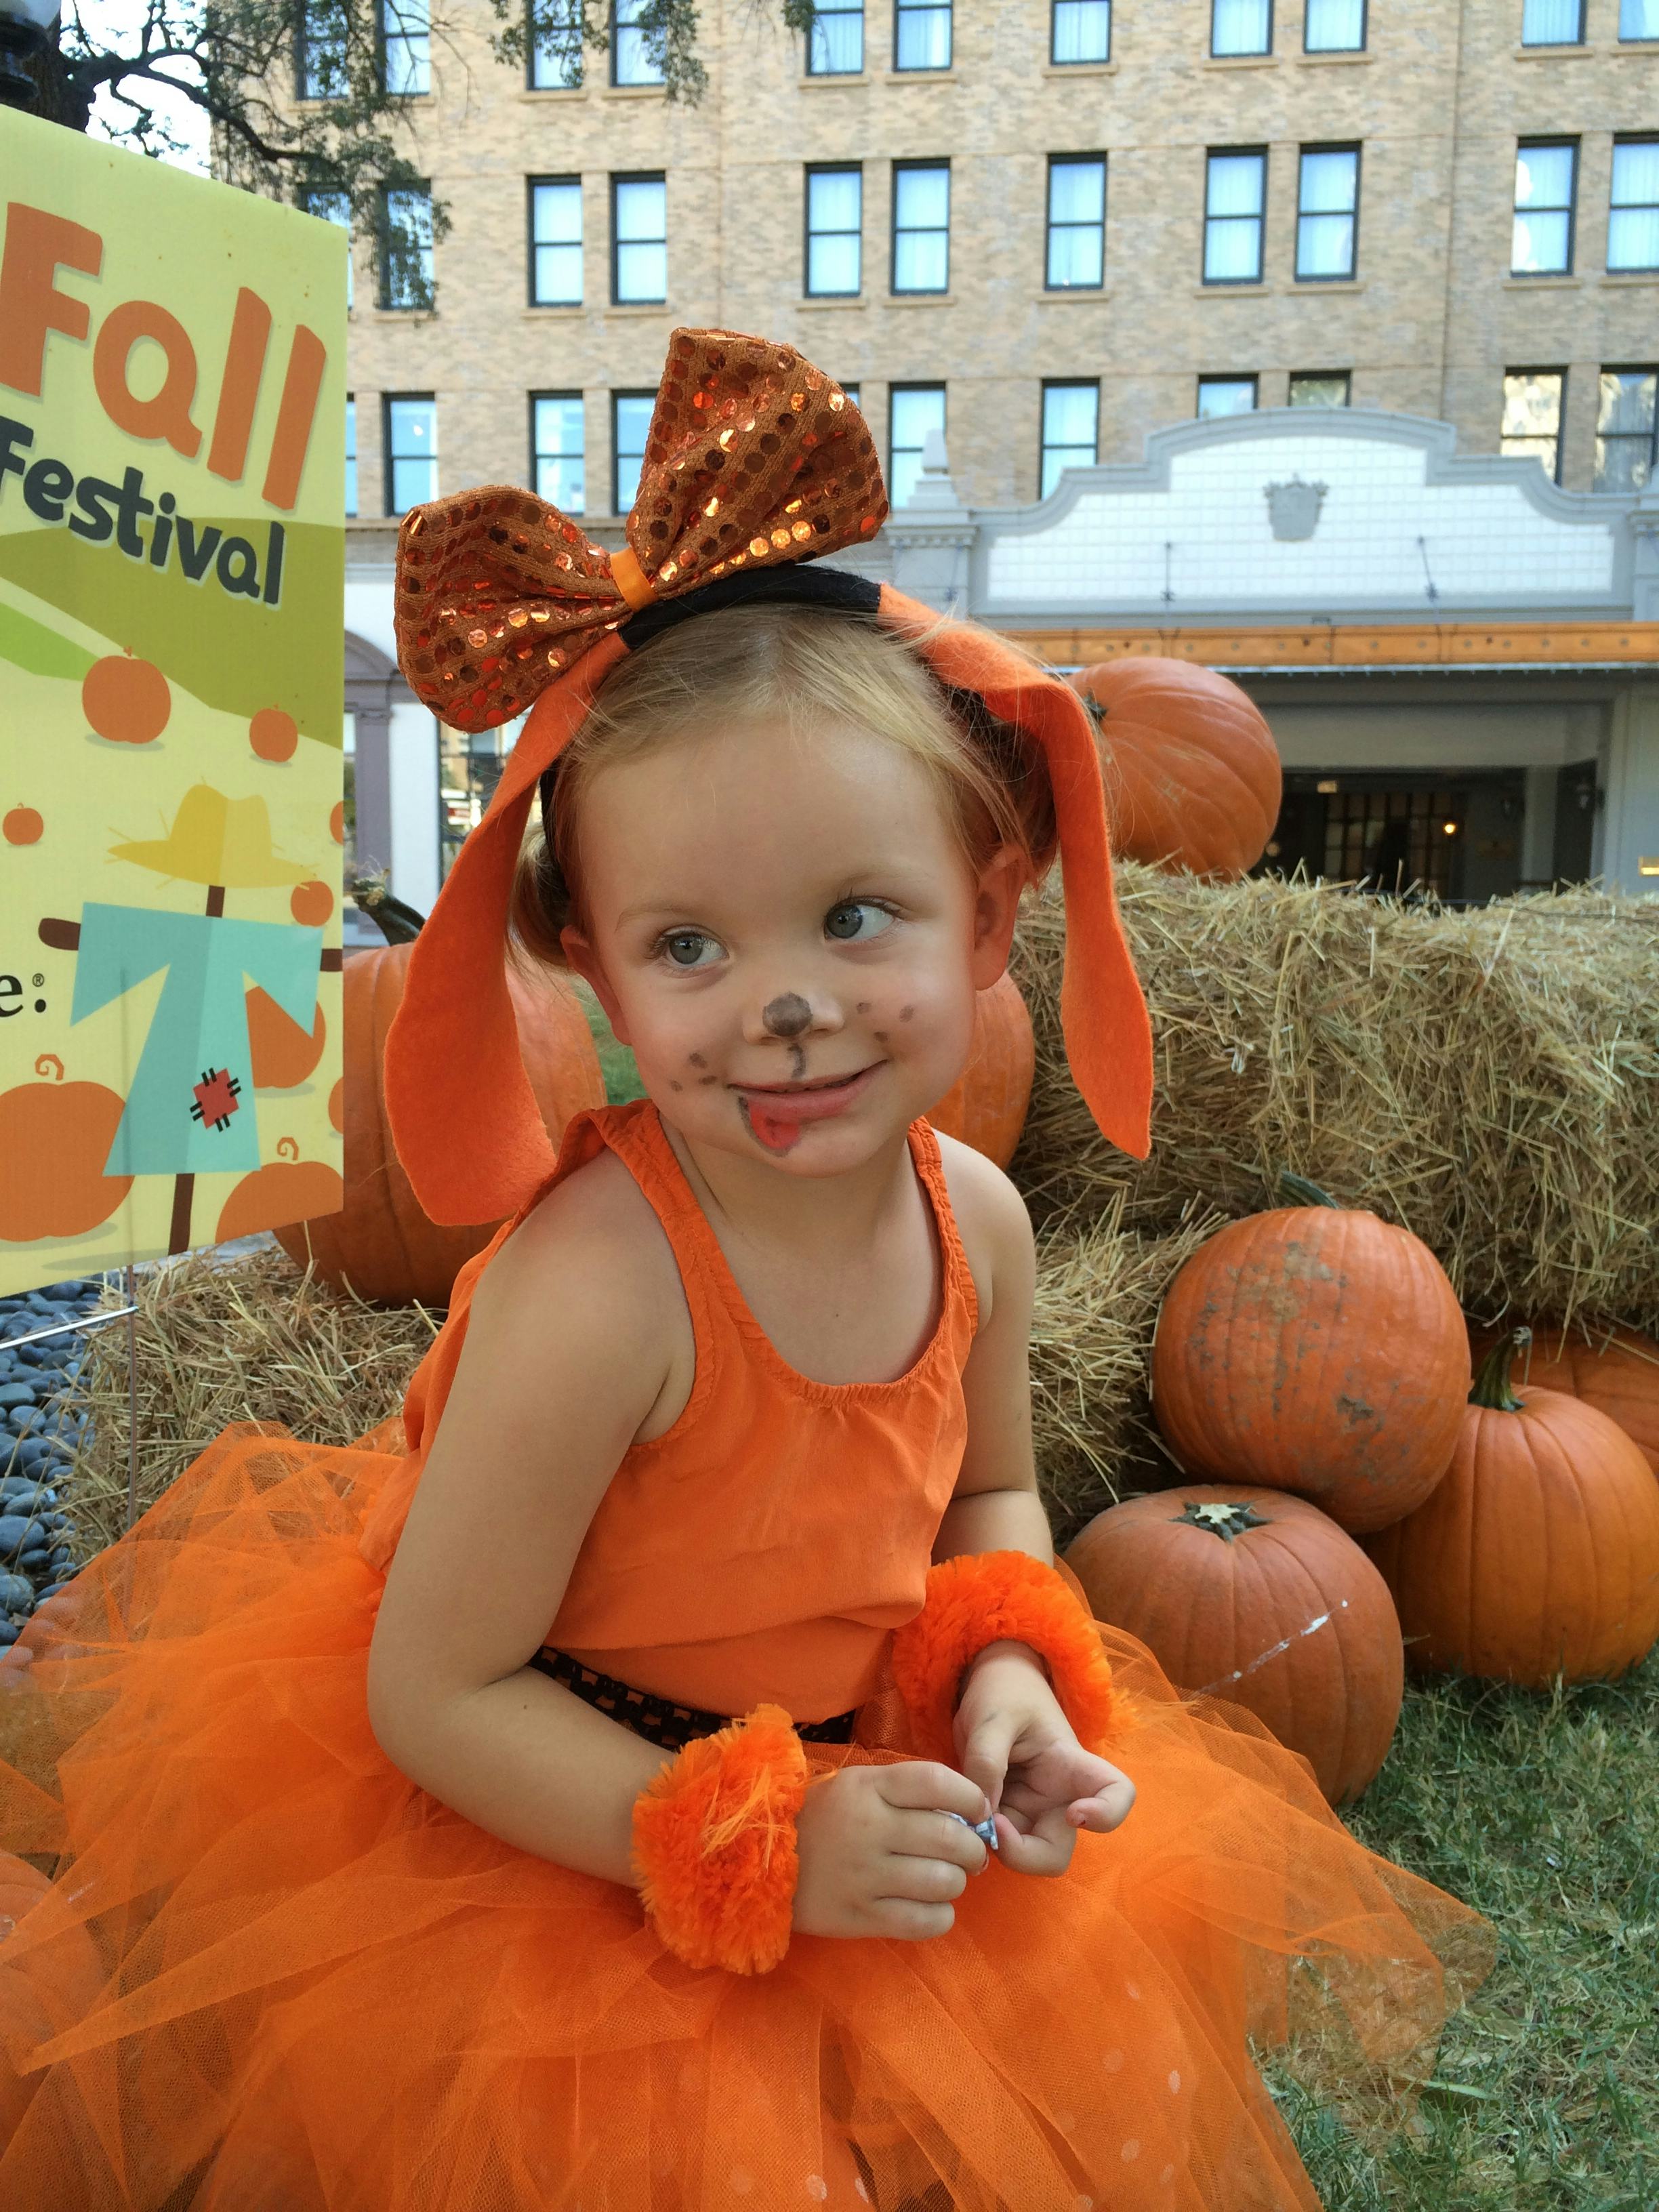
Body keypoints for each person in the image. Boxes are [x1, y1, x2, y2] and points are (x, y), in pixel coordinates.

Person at [0, 329, 1490, 2211]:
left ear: (987, 918)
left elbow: (993, 1493)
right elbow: (435, 1694)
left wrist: (1015, 1660)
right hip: (566, 1817)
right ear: (597, 977)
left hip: (856, 1777)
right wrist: (732, 1845)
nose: (784, 1005)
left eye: (856, 918)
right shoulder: (603, 1292)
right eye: (689, 946)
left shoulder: (985, 1222)